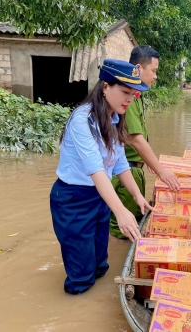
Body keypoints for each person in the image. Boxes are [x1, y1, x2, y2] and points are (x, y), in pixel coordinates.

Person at [50, 59, 155, 294]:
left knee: (100, 265)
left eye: (133, 94)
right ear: (105, 87)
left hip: (100, 196)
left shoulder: (115, 118)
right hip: (74, 199)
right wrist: (121, 212)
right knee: (81, 278)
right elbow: (96, 170)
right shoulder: (82, 120)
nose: (129, 99)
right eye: (125, 92)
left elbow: (119, 163)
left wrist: (137, 196)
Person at [109, 45, 179, 239]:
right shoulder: (126, 98)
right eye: (154, 71)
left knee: (129, 222)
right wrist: (161, 170)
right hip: (126, 172)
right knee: (122, 230)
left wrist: (149, 162)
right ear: (138, 68)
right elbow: (136, 140)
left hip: (133, 168)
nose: (155, 76)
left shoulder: (136, 96)